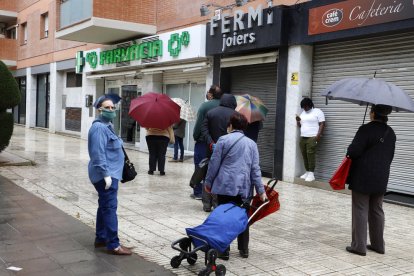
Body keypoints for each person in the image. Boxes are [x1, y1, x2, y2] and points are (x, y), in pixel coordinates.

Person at [204, 113, 267, 260]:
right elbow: (255, 169)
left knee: (224, 216)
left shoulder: (223, 140)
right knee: (242, 217)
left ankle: (224, 251)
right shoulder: (252, 144)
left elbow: (214, 164)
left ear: (231, 125)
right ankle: (244, 249)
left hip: (225, 185)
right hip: (244, 188)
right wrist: (261, 191)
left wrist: (208, 183)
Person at [345, 104, 396, 256]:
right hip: (381, 177)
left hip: (363, 176)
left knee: (360, 209)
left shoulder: (365, 129)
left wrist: (351, 146)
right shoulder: (391, 133)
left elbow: (353, 152)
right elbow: (390, 156)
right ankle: (378, 245)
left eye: (371, 112)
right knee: (377, 210)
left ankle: (359, 247)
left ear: (373, 114)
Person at [88, 95, 132, 255]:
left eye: (113, 107)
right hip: (106, 175)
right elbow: (97, 154)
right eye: (107, 107)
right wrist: (106, 175)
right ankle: (113, 244)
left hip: (112, 173)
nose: (111, 110)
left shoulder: (108, 126)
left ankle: (101, 238)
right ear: (99, 109)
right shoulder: (99, 128)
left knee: (104, 205)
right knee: (110, 207)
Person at [200, 93, 237, 212]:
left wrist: (211, 143)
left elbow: (204, 129)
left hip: (212, 150)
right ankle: (217, 204)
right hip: (228, 152)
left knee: (209, 175)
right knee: (222, 176)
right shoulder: (235, 115)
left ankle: (206, 204)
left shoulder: (211, 112)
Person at [191, 85, 223, 200]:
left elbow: (199, 125)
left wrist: (195, 136)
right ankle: (213, 193)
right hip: (220, 144)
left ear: (211, 94)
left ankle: (199, 192)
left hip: (203, 142)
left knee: (200, 166)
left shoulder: (205, 106)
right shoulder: (225, 106)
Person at [296, 97, 325, 182]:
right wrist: (298, 121)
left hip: (312, 137)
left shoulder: (317, 112)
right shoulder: (303, 113)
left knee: (310, 155)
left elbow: (322, 124)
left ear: (310, 105)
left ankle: (311, 174)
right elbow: (301, 125)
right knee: (304, 155)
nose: (304, 108)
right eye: (303, 107)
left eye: (305, 106)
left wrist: (318, 136)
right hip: (303, 137)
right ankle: (307, 171)